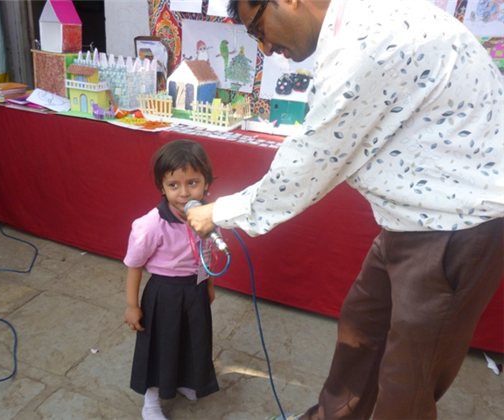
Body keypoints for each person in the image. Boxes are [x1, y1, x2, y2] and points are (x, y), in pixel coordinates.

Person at [186, 0, 504, 419]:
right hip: (410, 220)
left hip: (455, 227)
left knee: (408, 380)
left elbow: (310, 162)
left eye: (258, 29)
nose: (265, 48)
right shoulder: (359, 22)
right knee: (361, 332)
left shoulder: (366, 41)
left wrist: (218, 212)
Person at [123, 140, 220, 420]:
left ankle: (185, 381)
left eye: (192, 182)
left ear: (206, 183)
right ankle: (151, 400)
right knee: (161, 345)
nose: (184, 192)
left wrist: (209, 286)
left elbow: (208, 254)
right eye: (173, 185)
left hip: (195, 289)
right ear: (162, 188)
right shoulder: (152, 224)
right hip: (164, 293)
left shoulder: (209, 217)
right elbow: (134, 265)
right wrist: (132, 305)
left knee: (193, 339)